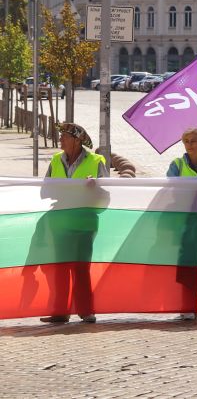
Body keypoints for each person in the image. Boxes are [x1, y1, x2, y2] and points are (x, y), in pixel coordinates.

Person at [41, 122, 109, 324]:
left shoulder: (96, 161)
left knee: (80, 266)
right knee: (60, 267)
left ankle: (86, 311)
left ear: (78, 140)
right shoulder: (55, 160)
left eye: (64, 136)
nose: (60, 139)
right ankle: (60, 312)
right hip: (60, 221)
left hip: (84, 222)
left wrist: (94, 187)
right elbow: (44, 190)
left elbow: (107, 192)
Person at [166, 127, 197, 321]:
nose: (189, 145)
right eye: (186, 141)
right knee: (186, 263)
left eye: (193, 141)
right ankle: (185, 304)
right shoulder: (177, 164)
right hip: (185, 221)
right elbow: (171, 188)